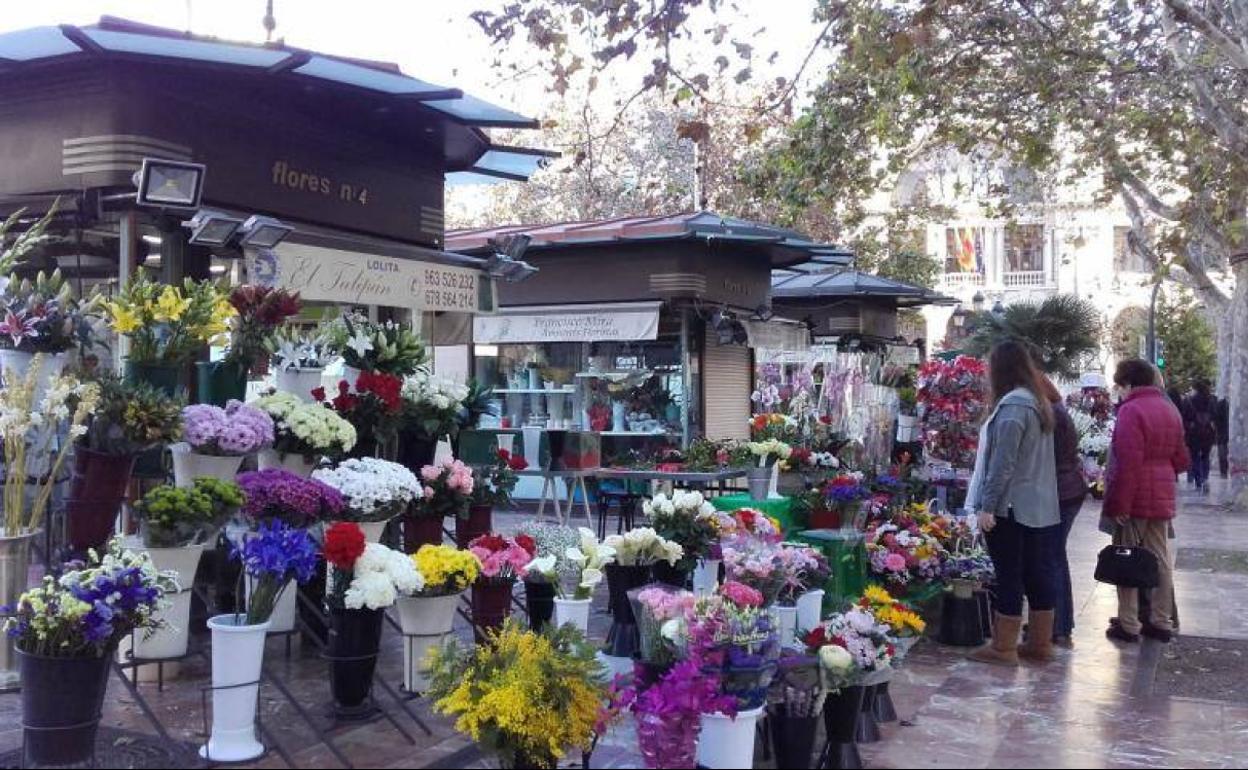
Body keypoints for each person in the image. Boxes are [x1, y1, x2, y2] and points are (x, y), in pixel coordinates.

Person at [967, 340, 1062, 666]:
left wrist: (987, 507)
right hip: (1040, 507)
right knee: (1038, 573)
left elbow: (1002, 465)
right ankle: (1040, 643)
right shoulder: (1038, 404)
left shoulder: (1012, 409)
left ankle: (1004, 646)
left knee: (1008, 574)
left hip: (1012, 507)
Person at [1102, 359, 1190, 644]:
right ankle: (1161, 621)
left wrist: (1119, 506)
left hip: (1136, 494)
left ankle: (1129, 623)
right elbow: (1181, 459)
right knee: (1161, 559)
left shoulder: (1131, 411)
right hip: (1163, 492)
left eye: (1120, 385)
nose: (1119, 391)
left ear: (1128, 383)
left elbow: (1127, 463)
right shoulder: (1169, 408)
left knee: (1126, 555)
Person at [1041, 376, 1087, 648]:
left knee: (1052, 557)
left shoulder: (1052, 415)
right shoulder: (1058, 409)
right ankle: (1057, 622)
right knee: (1055, 556)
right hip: (1067, 489)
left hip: (1059, 491)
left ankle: (1056, 623)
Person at [1183, 379, 1217, 494]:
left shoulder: (1189, 400)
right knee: (1205, 456)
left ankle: (1199, 481)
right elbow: (1215, 416)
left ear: (1195, 388)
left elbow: (1184, 418)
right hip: (1208, 433)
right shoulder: (1212, 400)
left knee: (1195, 457)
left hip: (1194, 434)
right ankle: (1205, 478)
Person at [1216, 395, 1230, 479]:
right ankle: (1224, 471)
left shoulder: (1222, 404)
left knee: (1223, 453)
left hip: (1223, 434)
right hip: (1223, 433)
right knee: (1223, 453)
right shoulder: (1221, 404)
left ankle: (1224, 471)